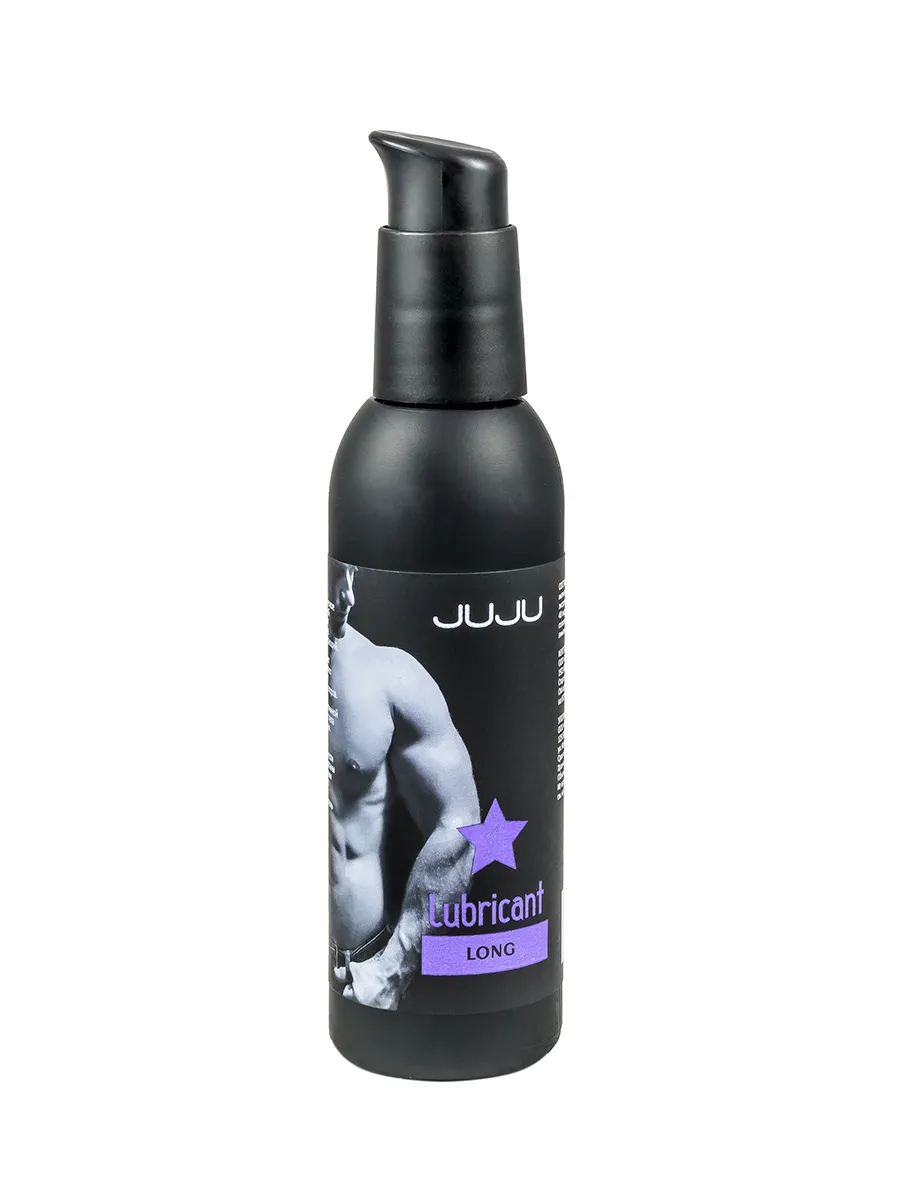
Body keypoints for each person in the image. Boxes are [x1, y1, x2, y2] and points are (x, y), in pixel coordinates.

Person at [328, 561, 479, 1009]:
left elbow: (461, 822)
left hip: (356, 973)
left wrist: (392, 968)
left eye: (347, 578)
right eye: (333, 582)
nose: (346, 598)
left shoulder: (387, 677)